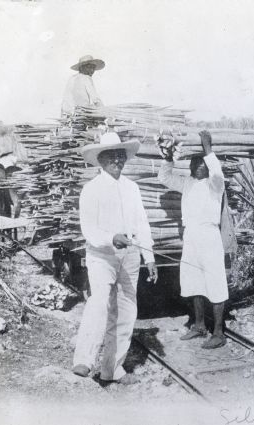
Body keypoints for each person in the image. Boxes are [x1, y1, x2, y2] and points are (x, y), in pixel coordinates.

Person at [72, 132, 158, 385]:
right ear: (100, 159)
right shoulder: (91, 190)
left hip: (129, 254)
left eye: (121, 156)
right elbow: (89, 230)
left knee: (127, 309)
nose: (117, 161)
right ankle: (84, 361)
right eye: (111, 156)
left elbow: (142, 223)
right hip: (102, 255)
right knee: (99, 303)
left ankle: (112, 369)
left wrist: (148, 256)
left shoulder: (132, 188)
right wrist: (112, 238)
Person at [158, 130, 229, 349]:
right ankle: (199, 325)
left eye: (202, 163)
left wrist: (208, 149)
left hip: (209, 236)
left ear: (207, 166)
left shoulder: (215, 185)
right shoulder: (187, 184)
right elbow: (165, 177)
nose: (198, 166)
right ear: (189, 167)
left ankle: (218, 332)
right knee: (193, 280)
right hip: (191, 236)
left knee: (215, 281)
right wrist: (168, 157)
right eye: (194, 163)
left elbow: (217, 171)